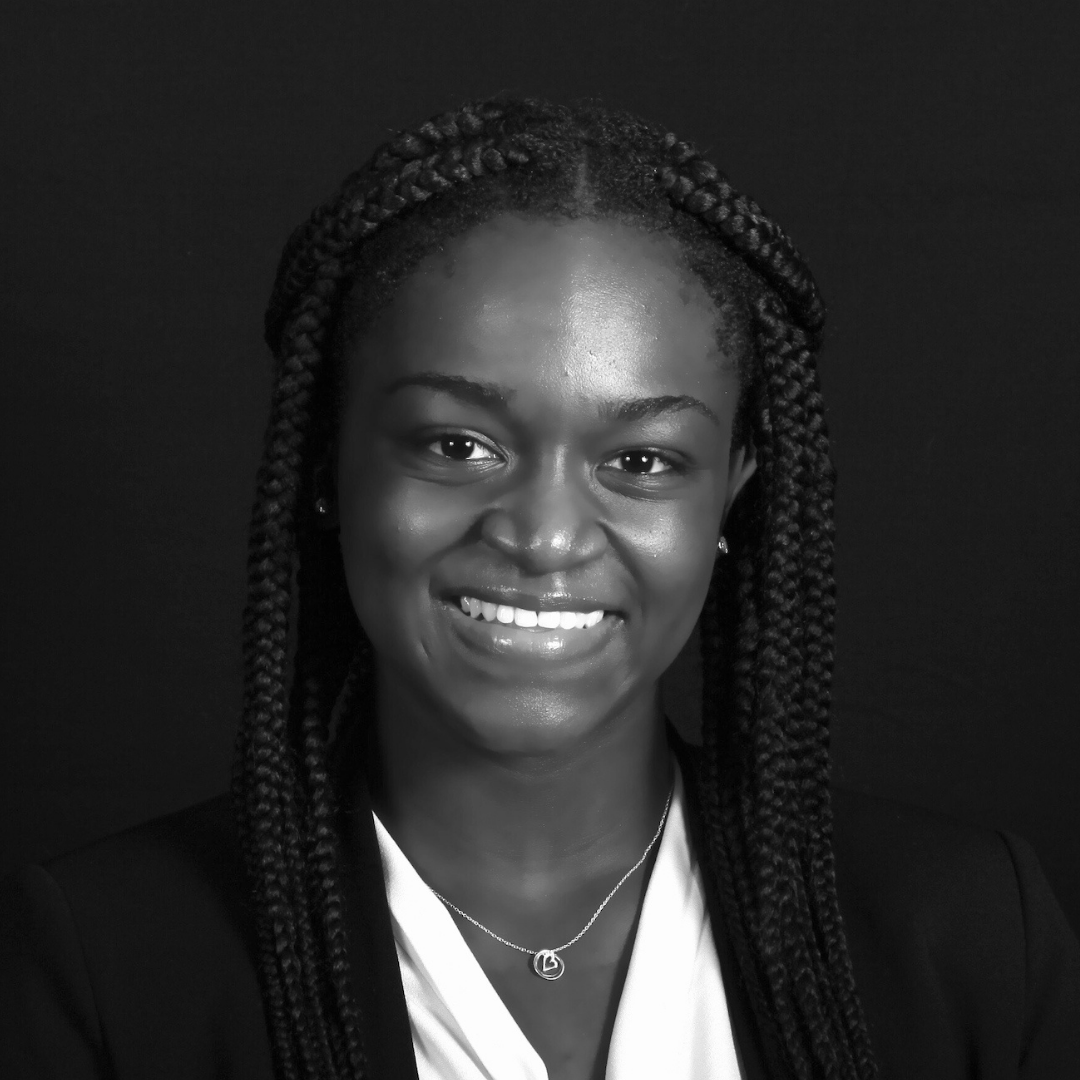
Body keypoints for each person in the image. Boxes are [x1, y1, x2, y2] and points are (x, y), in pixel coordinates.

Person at [1, 96, 1078, 1080]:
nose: (547, 535)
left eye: (643, 461)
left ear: (732, 498)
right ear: (330, 462)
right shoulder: (102, 968)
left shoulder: (969, 939)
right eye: (458, 443)